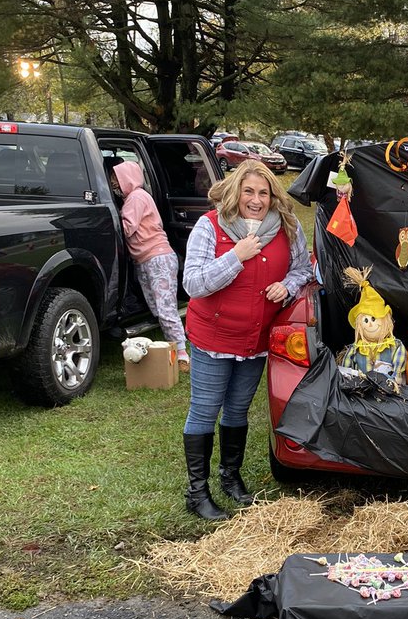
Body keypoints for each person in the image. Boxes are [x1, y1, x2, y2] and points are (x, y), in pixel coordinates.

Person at [181, 161, 312, 519]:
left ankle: (231, 478)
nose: (256, 200)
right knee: (205, 410)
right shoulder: (210, 226)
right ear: (235, 192)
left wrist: (287, 286)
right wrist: (235, 256)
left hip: (255, 340)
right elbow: (193, 284)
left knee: (238, 410)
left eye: (263, 193)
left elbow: (303, 269)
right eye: (248, 191)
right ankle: (197, 492)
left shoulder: (287, 227)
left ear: (273, 197)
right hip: (213, 337)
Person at [111, 161, 190, 370]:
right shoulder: (135, 198)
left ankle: (181, 353)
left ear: (127, 179)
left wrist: (110, 222)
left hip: (157, 258)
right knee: (157, 307)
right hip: (146, 259)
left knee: (165, 308)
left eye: (116, 179)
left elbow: (127, 228)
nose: (114, 184)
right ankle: (169, 346)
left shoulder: (136, 197)